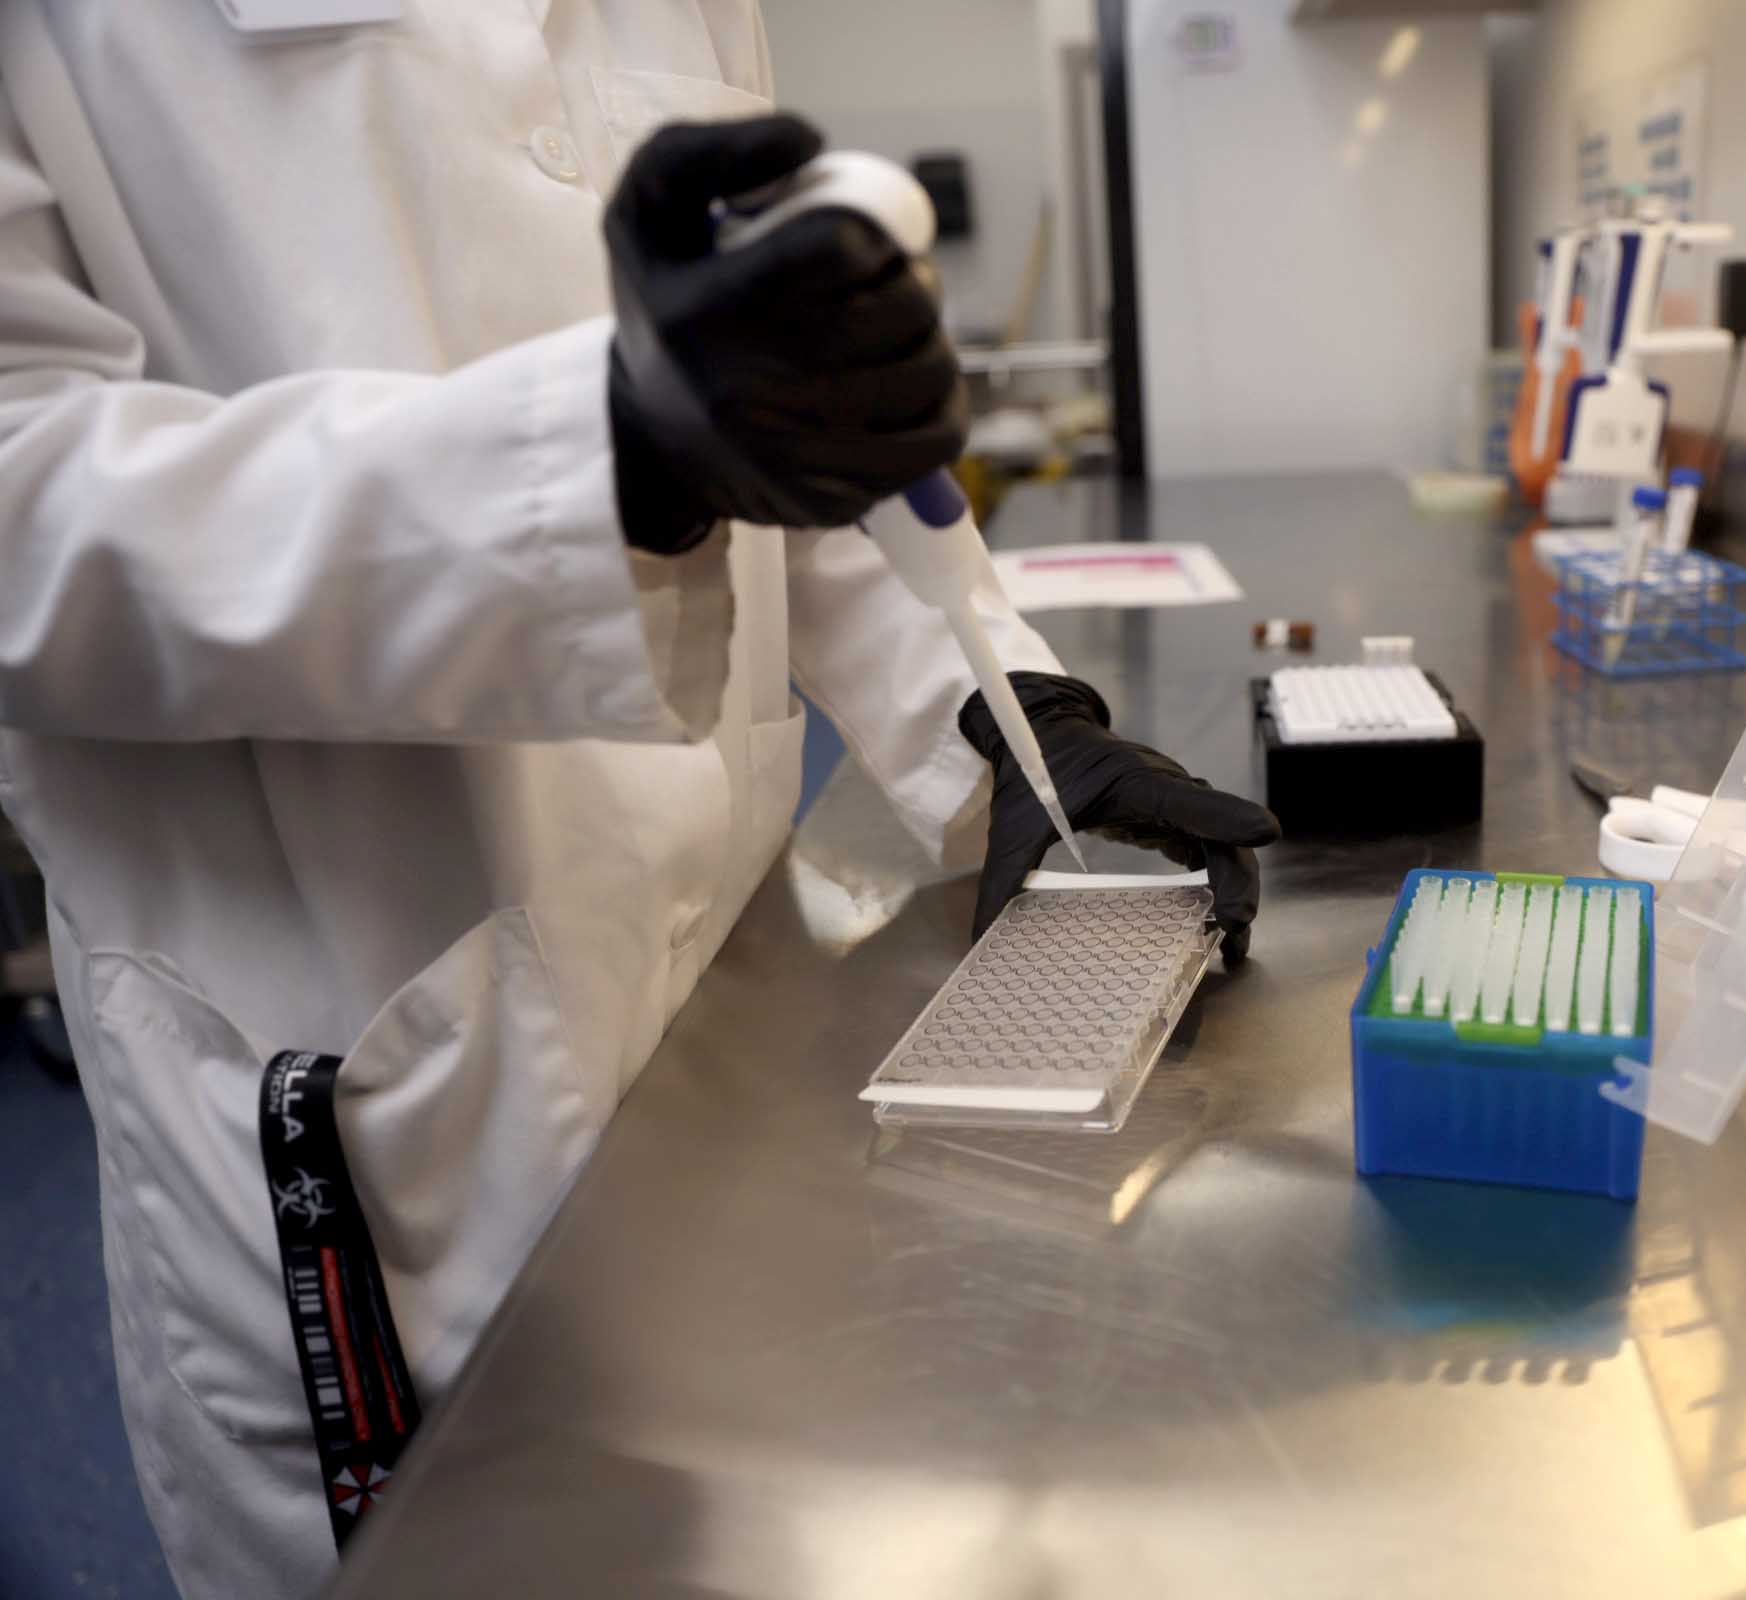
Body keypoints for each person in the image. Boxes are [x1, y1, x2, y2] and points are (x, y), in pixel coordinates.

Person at [0, 6, 1277, 1596]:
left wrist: (1002, 712)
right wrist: (594, 466)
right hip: (366, 1057)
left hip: (728, 1041)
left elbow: (761, 461)